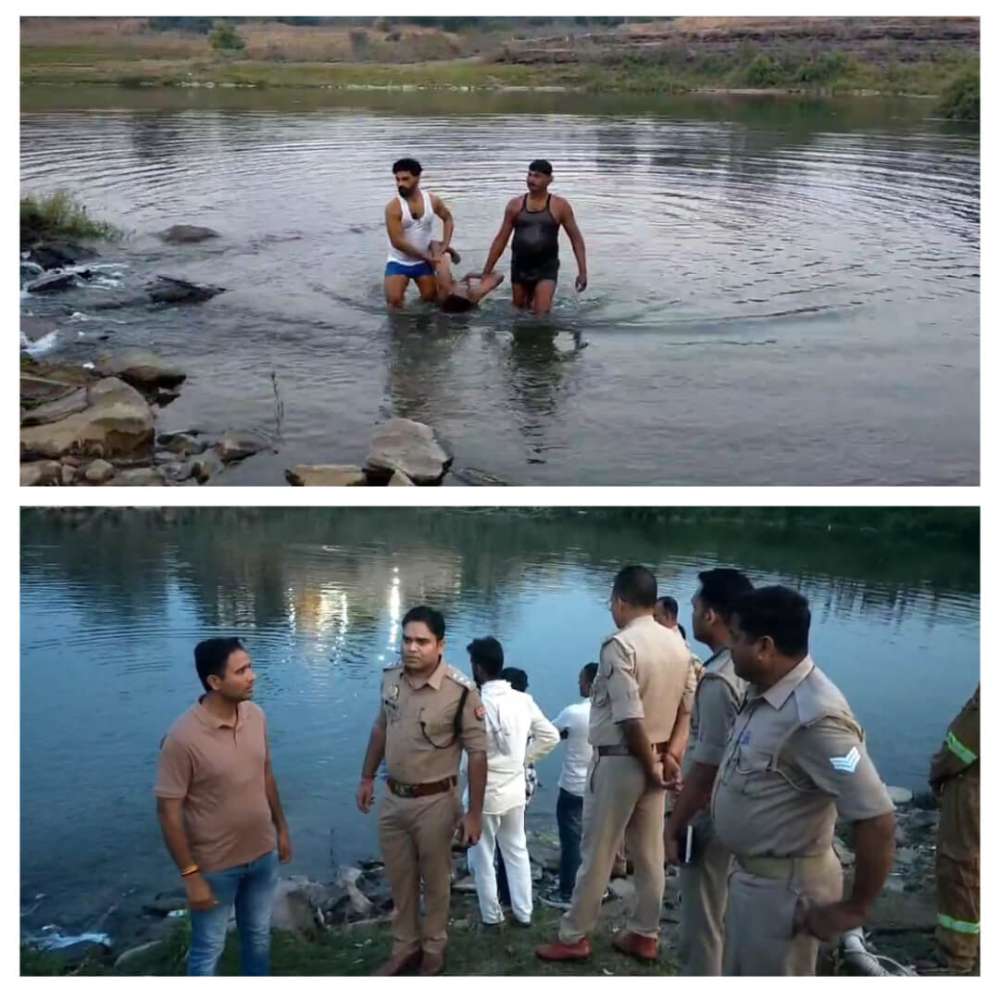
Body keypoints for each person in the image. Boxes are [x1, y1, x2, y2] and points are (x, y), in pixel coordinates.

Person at [711, 586, 897, 976]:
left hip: (785, 896)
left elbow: (877, 818)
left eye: (737, 638)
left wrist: (855, 908)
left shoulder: (815, 719)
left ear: (764, 646)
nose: (729, 647)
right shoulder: (763, 692)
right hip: (751, 882)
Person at [536, 565, 693, 964]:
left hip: (623, 762)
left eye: (612, 601)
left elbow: (628, 716)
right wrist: (670, 758)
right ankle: (645, 932)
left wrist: (649, 762)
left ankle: (574, 935)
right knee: (649, 853)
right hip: (658, 757)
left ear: (620, 601)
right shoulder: (678, 644)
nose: (611, 609)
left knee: (598, 851)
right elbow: (686, 709)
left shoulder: (620, 645)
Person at [356, 606, 487, 976]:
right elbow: (380, 729)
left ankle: (433, 948)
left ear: (440, 645)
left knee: (436, 880)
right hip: (393, 797)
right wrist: (366, 777)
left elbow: (478, 755)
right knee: (399, 878)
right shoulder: (390, 679)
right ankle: (404, 947)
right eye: (407, 639)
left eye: (421, 641)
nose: (411, 648)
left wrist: (474, 813)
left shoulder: (461, 692)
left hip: (436, 802)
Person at [154, 638, 292, 976]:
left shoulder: (256, 716)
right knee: (208, 949)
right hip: (216, 867)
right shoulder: (182, 738)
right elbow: (168, 812)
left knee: (258, 937)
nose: (252, 676)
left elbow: (266, 775)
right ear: (215, 682)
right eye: (241, 671)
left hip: (262, 854)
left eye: (250, 667)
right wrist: (191, 876)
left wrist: (282, 830)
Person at [662, 569, 753, 976]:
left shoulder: (719, 679)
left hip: (713, 812)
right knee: (730, 915)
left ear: (713, 615)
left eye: (697, 607)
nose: (694, 613)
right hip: (747, 810)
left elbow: (708, 765)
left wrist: (675, 823)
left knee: (702, 922)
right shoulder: (756, 668)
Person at [465, 640, 559, 928]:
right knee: (516, 850)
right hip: (515, 789)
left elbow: (464, 754)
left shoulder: (474, 704)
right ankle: (523, 911)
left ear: (478, 668)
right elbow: (551, 736)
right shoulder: (522, 700)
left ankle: (492, 915)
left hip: (485, 791)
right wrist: (522, 759)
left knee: (482, 855)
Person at [480, 159, 587, 316]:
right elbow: (501, 240)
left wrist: (582, 271)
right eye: (529, 175)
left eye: (537, 176)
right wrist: (486, 271)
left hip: (546, 268)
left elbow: (576, 239)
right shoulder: (515, 205)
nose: (531, 180)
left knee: (541, 314)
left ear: (549, 179)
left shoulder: (560, 206)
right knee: (519, 312)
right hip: (520, 266)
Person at [925, 685, 980, 974]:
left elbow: (962, 745)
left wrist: (938, 771)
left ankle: (955, 956)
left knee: (961, 868)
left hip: (974, 789)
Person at [539, 662, 599, 908]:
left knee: (571, 841)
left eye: (581, 680)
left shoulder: (575, 713)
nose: (578, 684)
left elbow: (549, 734)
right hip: (600, 788)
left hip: (574, 788)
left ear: (589, 683)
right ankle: (596, 889)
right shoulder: (613, 713)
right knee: (594, 841)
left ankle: (567, 892)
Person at [384, 158, 458, 309]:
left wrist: (445, 245)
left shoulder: (432, 200)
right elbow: (397, 242)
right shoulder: (393, 207)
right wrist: (428, 257)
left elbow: (448, 218)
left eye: (405, 179)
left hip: (423, 263)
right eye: (397, 179)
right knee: (394, 303)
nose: (400, 184)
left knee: (430, 302)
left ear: (417, 178)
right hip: (399, 262)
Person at [428, 240, 505, 313]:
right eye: (467, 285)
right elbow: (499, 275)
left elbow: (434, 244)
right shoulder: (475, 293)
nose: (468, 283)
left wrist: (451, 251)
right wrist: (481, 276)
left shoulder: (445, 287)